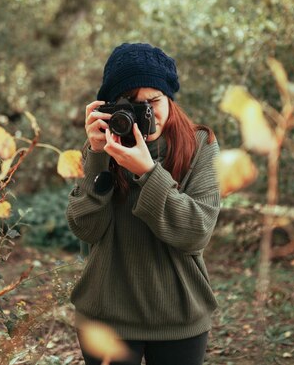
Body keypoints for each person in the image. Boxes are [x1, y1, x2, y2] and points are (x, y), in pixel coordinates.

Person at [66, 43, 221, 365]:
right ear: (109, 108)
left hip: (179, 315)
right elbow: (86, 229)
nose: (146, 113)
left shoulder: (200, 146)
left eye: (153, 101)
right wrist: (97, 157)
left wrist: (147, 172)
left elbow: (197, 232)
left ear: (170, 99)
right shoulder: (102, 146)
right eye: (131, 105)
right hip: (106, 315)